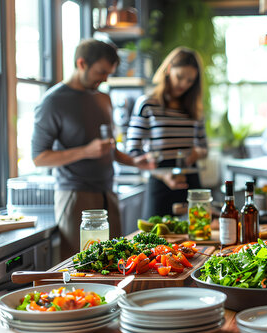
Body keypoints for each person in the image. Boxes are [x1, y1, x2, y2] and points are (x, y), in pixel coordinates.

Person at [32, 39, 155, 260]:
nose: (105, 79)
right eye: (101, 72)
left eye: (109, 73)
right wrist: (85, 151)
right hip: (75, 197)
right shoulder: (52, 102)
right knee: (81, 267)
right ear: (81, 63)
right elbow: (39, 158)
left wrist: (135, 162)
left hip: (108, 194)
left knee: (116, 264)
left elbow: (109, 149)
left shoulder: (104, 98)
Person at [126, 47, 208, 218]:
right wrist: (162, 174)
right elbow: (133, 150)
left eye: (190, 81)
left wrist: (196, 153)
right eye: (180, 77)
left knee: (198, 238)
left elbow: (203, 147)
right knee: (156, 238)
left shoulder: (194, 110)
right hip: (160, 182)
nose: (184, 84)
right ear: (169, 70)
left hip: (190, 183)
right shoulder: (147, 104)